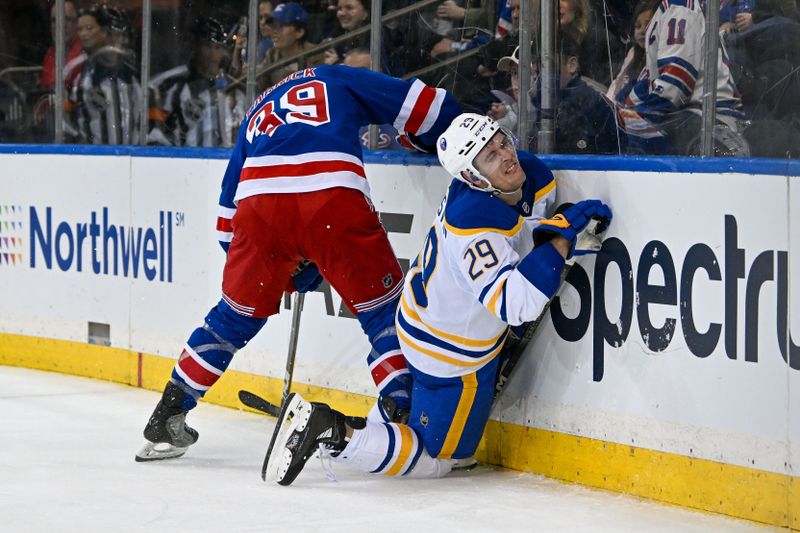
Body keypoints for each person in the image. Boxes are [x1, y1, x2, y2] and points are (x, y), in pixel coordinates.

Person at [263, 113, 612, 485]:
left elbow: (518, 235)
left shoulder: (510, 180)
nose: (506, 155)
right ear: (473, 177)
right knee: (440, 459)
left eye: (501, 142)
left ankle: (384, 419)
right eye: (490, 156)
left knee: (425, 433)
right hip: (447, 354)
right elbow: (517, 306)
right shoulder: (474, 225)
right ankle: (334, 431)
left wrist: (554, 235)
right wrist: (560, 242)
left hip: (422, 321)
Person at [135, 64, 462, 462]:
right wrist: (430, 139)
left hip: (258, 212)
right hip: (332, 196)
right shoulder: (335, 77)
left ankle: (170, 410)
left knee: (232, 317)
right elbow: (427, 106)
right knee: (381, 313)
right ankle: (403, 413)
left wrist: (282, 269)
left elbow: (226, 223)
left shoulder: (258, 109)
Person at [621, 0, 749, 155]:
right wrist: (622, 111)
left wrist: (631, 117)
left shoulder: (679, 6)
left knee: (630, 139)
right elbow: (650, 83)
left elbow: (676, 83)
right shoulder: (665, 11)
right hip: (696, 117)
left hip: (712, 122)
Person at [147, 16, 247, 147]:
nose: (212, 54)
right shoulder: (169, 84)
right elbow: (155, 139)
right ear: (195, 45)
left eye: (217, 48)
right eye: (207, 46)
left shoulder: (236, 90)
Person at [66, 4, 141, 145]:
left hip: (131, 158)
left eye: (89, 28)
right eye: (79, 29)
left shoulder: (131, 74)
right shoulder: (77, 72)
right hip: (93, 160)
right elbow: (70, 123)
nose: (83, 34)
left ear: (104, 32)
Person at [258, 2, 325, 88]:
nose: (274, 31)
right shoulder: (271, 56)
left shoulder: (317, 56)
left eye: (281, 26)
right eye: (273, 26)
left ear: (299, 32)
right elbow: (259, 88)